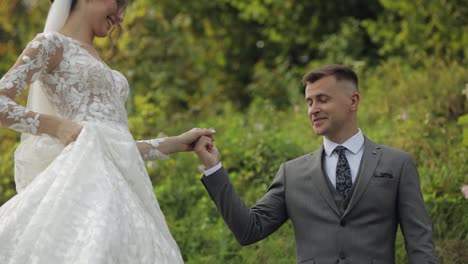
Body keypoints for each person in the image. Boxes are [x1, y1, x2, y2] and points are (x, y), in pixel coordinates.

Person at [0, 0, 214, 262]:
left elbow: (115, 144)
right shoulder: (51, 45)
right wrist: (56, 126)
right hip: (83, 181)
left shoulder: (101, 63)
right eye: (119, 3)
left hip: (128, 192)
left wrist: (177, 143)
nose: (122, 16)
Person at [194, 64, 438, 263]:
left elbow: (420, 244)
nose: (313, 109)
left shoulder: (398, 164)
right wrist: (214, 169)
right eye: (309, 102)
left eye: (322, 99)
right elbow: (249, 229)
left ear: (353, 101)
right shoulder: (292, 174)